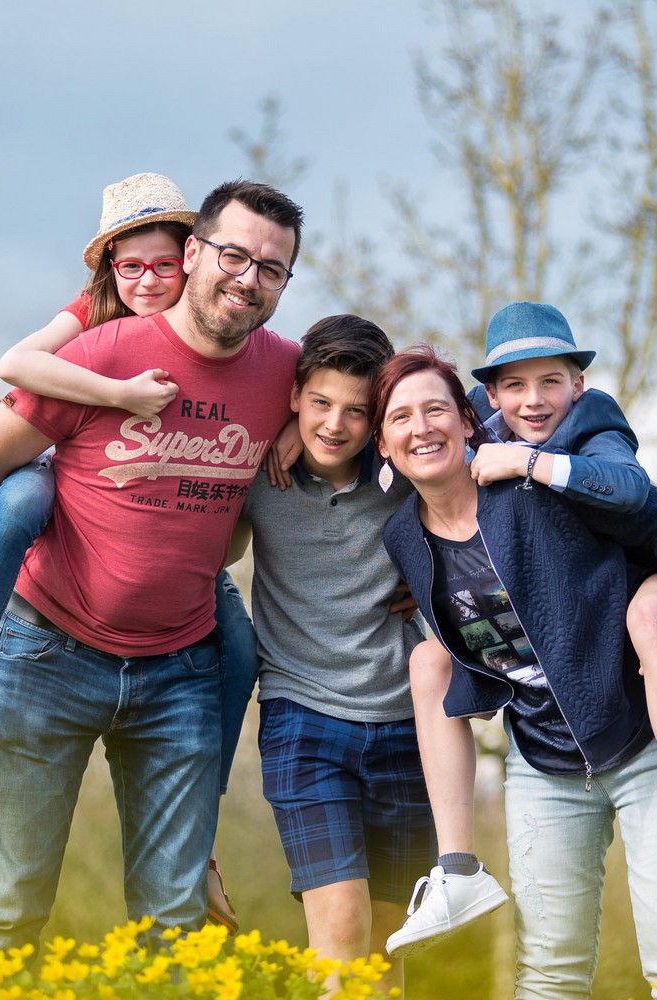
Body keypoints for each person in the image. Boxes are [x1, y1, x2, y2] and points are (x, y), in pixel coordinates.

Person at [0, 179, 305, 997]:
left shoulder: (287, 373)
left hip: (180, 672)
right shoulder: (99, 355)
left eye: (271, 270)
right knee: (10, 908)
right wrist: (51, 542)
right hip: (50, 657)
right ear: (197, 254)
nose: (249, 278)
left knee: (174, 925)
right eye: (235, 256)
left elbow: (383, 421)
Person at [373, 346, 657, 998]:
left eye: (435, 410)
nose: (421, 427)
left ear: (469, 421)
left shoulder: (530, 487)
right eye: (401, 417)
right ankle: (457, 869)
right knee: (550, 970)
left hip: (642, 735)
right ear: (383, 443)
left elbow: (656, 510)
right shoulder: (403, 535)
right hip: (543, 758)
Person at [231, 315, 431, 996]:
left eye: (356, 410)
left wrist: (430, 587)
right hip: (304, 720)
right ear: (294, 396)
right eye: (320, 403)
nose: (335, 424)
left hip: (410, 727)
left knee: (385, 957)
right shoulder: (258, 470)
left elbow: (478, 427)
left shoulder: (410, 472)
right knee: (339, 936)